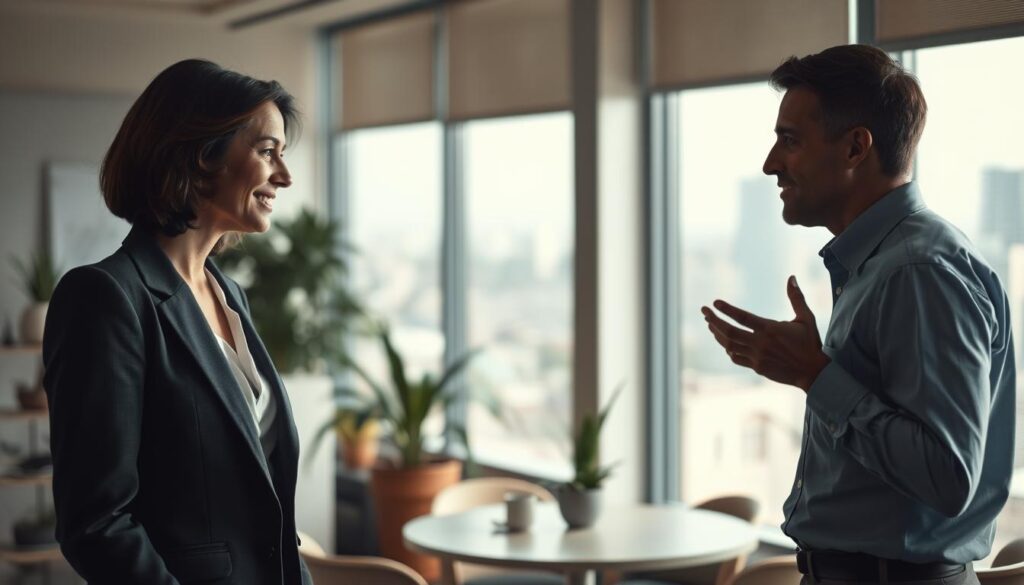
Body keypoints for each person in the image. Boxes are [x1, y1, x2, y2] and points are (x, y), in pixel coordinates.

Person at [702, 44, 1014, 585]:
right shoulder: (881, 264)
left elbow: (947, 476)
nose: (770, 163)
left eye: (790, 141)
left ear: (854, 148)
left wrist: (814, 374)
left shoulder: (917, 271)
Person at [43, 59, 313, 584]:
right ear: (202, 154)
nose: (284, 176)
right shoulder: (105, 298)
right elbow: (97, 524)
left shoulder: (230, 296)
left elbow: (266, 512)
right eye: (267, 152)